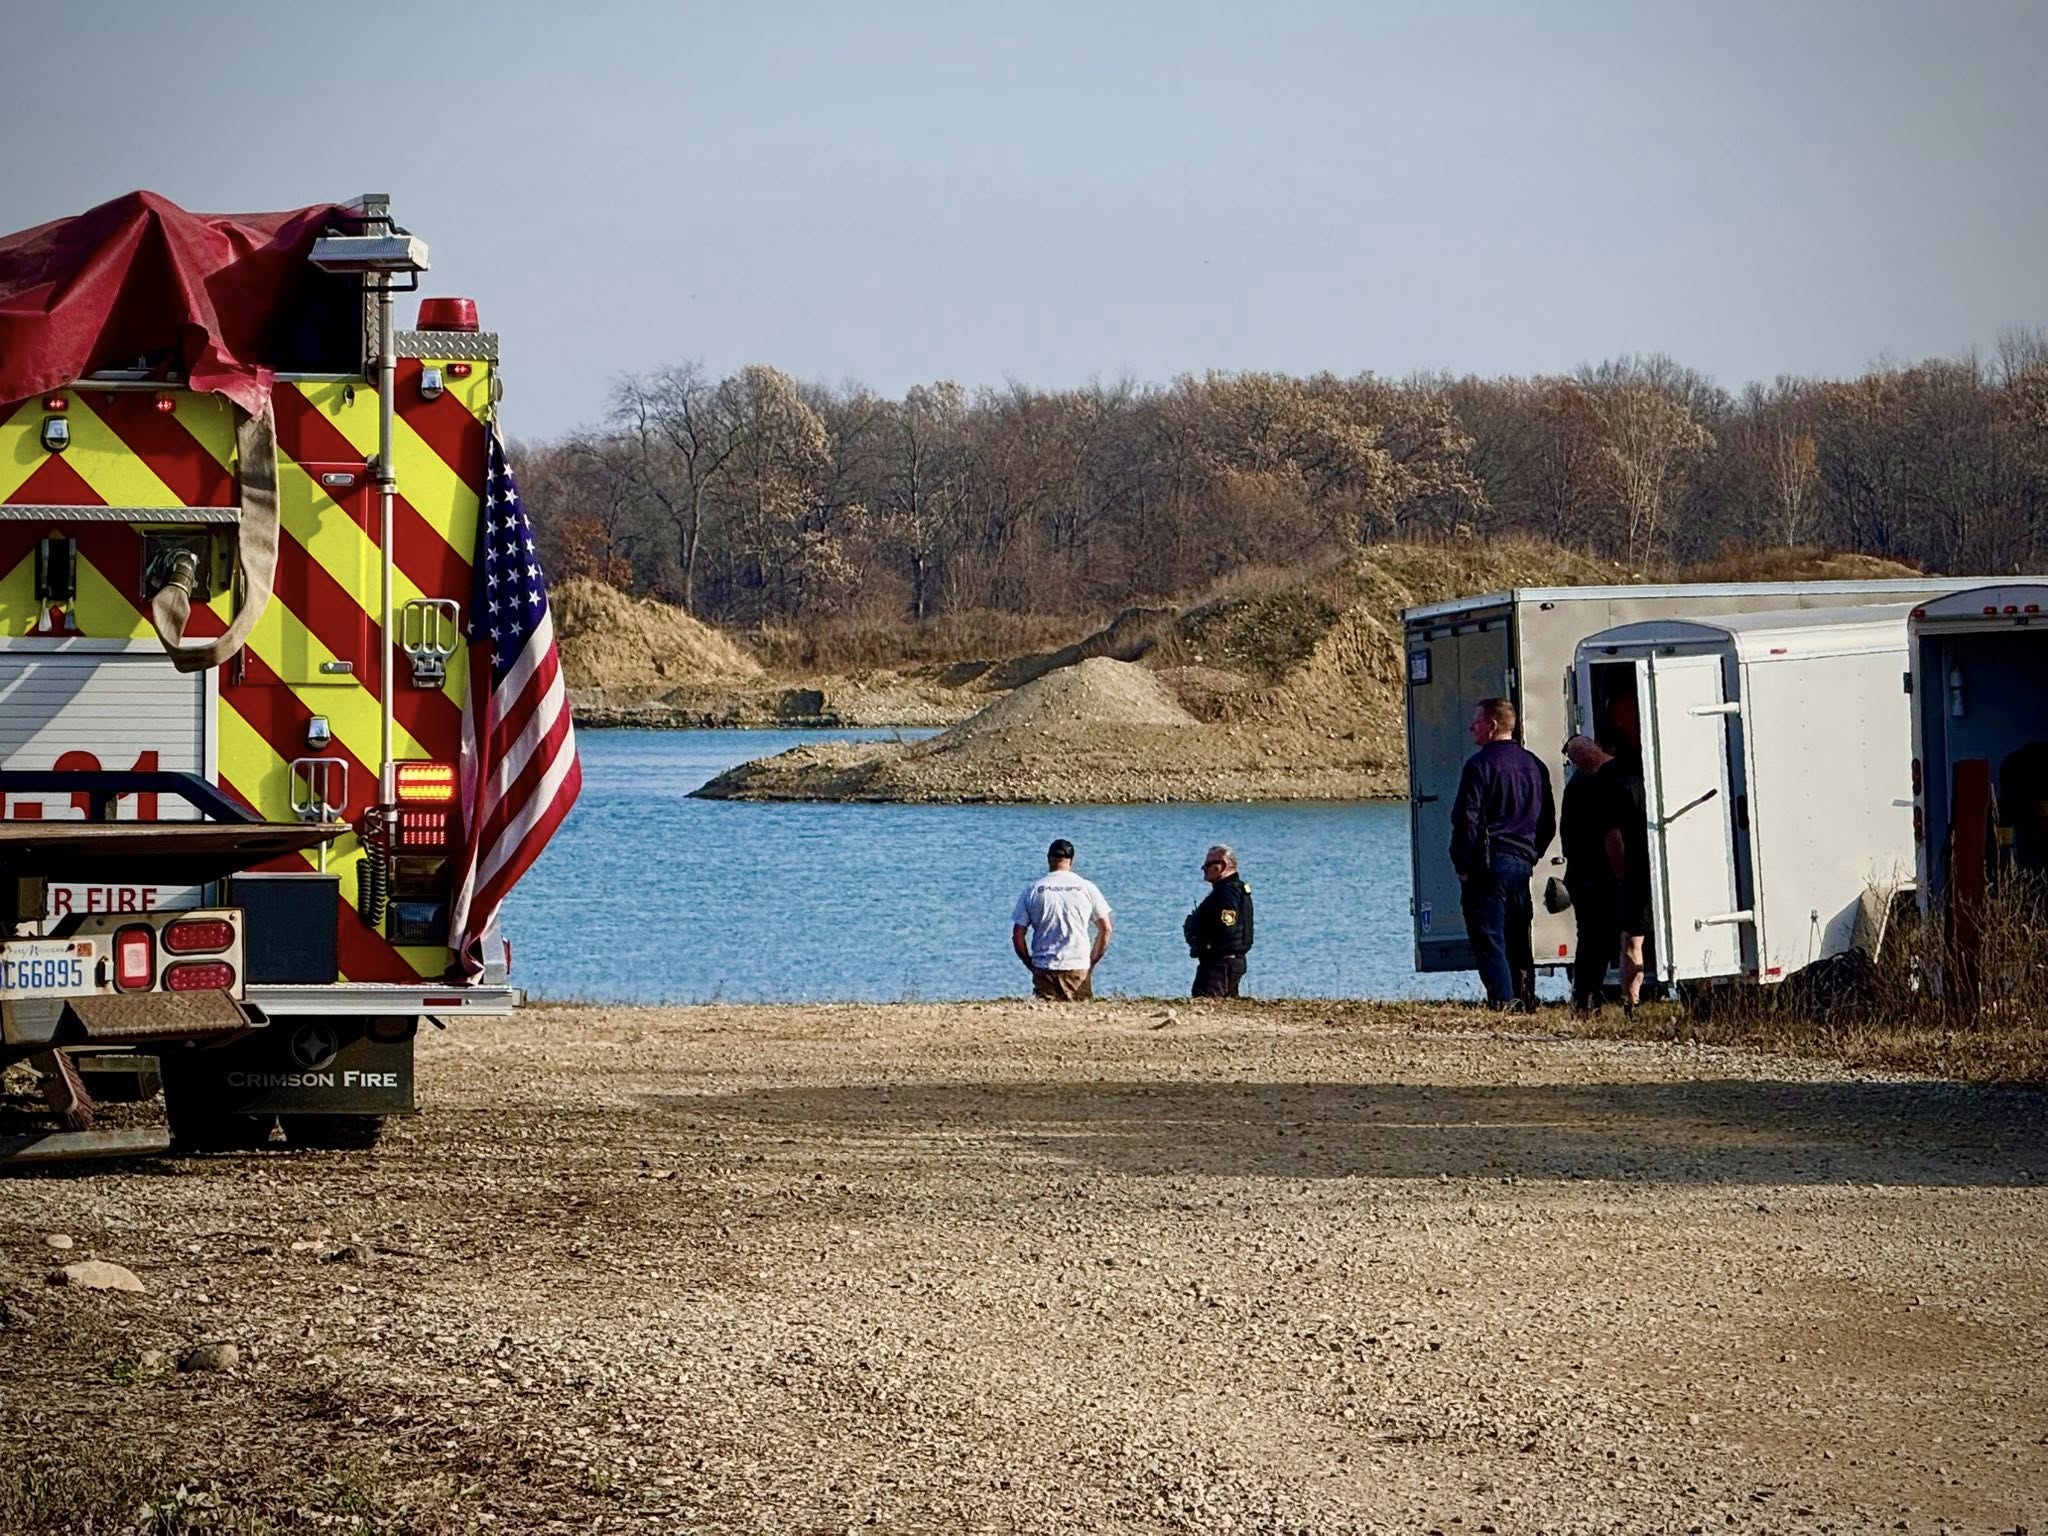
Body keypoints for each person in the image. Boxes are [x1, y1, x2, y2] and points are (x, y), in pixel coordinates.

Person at [1450, 697, 1555, 1011]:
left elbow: (1465, 819)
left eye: (1477, 721)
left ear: (1493, 725)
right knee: (1518, 935)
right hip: (1521, 863)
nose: (1472, 727)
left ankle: (1503, 1000)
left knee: (1489, 935)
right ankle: (1525, 998)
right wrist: (1532, 854)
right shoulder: (1534, 765)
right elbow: (1548, 820)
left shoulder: (1479, 765)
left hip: (1488, 862)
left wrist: (1463, 863)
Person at [1559, 735, 1630, 1013]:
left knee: (1592, 939)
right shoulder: (1597, 784)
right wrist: (1623, 876)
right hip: (1595, 876)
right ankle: (1586, 999)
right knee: (1596, 939)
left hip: (1582, 875)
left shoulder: (1579, 785)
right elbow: (1612, 838)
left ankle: (1587, 998)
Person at [1011, 838, 1113, 1001]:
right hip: (1078, 967)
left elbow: (1018, 934)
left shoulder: (1034, 889)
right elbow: (1106, 929)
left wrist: (1030, 964)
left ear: (1048, 859)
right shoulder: (1087, 888)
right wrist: (1091, 962)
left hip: (1044, 968)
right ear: (1071, 860)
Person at [1182, 844, 1254, 998]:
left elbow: (1226, 928)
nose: (1204, 868)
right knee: (1223, 1010)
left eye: (1209, 864)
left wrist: (1203, 942)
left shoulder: (1227, 893)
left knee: (1206, 1006)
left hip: (1221, 964)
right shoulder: (1233, 889)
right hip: (1226, 962)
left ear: (1223, 866)